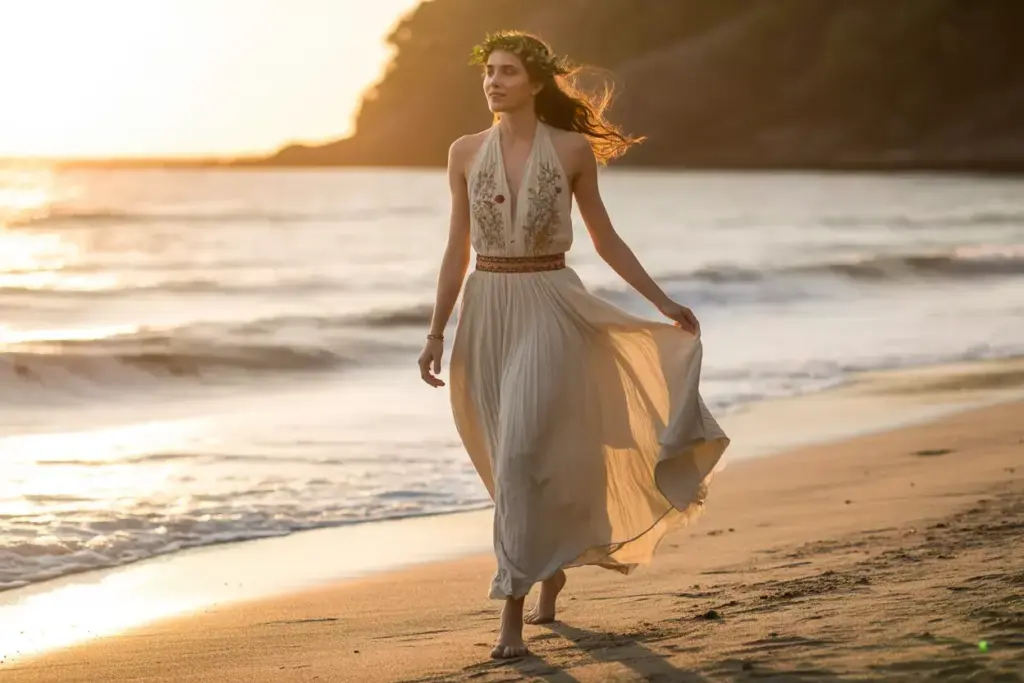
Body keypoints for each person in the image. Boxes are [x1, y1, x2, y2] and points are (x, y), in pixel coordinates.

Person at [417, 30, 730, 659]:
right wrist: (435, 330)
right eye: (489, 73)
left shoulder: (571, 150)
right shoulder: (462, 152)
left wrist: (662, 302)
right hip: (486, 310)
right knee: (507, 463)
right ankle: (547, 565)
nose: (494, 82)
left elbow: (606, 239)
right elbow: (456, 248)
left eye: (507, 73)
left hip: (550, 304)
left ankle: (510, 610)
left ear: (535, 83)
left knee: (520, 453)